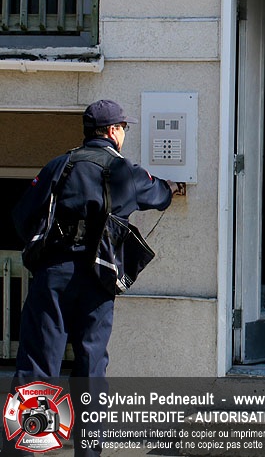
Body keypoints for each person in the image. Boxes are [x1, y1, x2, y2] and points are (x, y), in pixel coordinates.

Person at [12, 99, 180, 381]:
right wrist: (172, 187)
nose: (124, 133)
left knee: (38, 363)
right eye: (124, 127)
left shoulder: (59, 165)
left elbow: (22, 215)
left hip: (53, 272)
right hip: (99, 273)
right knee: (91, 366)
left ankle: (37, 413)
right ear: (113, 131)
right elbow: (159, 195)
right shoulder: (124, 170)